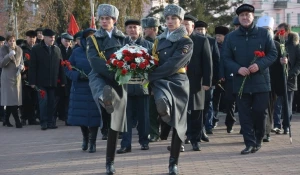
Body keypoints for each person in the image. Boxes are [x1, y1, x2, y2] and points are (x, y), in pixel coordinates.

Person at [223, 4, 277, 154]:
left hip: (261, 81)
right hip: (241, 80)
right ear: (238, 18)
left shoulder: (263, 34)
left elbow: (272, 54)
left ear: (253, 17)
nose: (245, 18)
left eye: (248, 15)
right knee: (244, 114)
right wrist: (237, 68)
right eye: (242, 16)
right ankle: (249, 143)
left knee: (260, 112)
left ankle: (258, 138)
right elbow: (226, 58)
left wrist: (259, 65)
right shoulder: (231, 37)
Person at [149, 4, 193, 174]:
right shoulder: (159, 40)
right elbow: (153, 59)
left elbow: (174, 64)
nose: (169, 21)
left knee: (179, 124)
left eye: (173, 18)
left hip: (178, 82)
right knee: (161, 101)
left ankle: (173, 163)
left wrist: (151, 76)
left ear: (180, 21)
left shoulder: (186, 40)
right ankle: (165, 114)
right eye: (167, 18)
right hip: (160, 82)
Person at [86, 4, 126, 175]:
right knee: (100, 91)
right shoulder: (93, 39)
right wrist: (114, 73)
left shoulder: (122, 38)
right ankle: (105, 99)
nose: (103, 21)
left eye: (107, 19)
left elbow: (129, 57)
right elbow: (94, 61)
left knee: (115, 124)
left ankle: (110, 162)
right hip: (100, 76)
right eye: (101, 19)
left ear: (114, 20)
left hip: (119, 79)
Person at [116, 19, 152, 154]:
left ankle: (144, 142)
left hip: (142, 86)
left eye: (135, 27)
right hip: (125, 87)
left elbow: (153, 65)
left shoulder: (148, 45)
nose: (132, 30)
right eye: (129, 27)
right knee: (126, 118)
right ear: (126, 30)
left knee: (144, 117)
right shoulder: (121, 45)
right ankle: (126, 144)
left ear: (140, 29)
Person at [65, 28, 101, 153]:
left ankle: (93, 142)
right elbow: (68, 68)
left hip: (95, 87)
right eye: (88, 37)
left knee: (94, 117)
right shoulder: (77, 52)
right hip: (80, 88)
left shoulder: (100, 51)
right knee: (82, 117)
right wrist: (77, 76)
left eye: (93, 37)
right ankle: (85, 137)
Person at [183, 14, 212, 151]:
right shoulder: (175, 40)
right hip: (179, 81)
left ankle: (195, 139)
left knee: (196, 112)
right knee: (181, 111)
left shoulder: (201, 40)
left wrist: (207, 81)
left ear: (192, 26)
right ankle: (182, 137)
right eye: (181, 24)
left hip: (196, 81)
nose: (184, 27)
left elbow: (207, 62)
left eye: (186, 24)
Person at [29, 29, 66, 130]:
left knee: (51, 103)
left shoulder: (57, 50)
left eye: (53, 37)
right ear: (44, 37)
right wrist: (32, 81)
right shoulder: (36, 49)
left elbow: (61, 66)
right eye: (50, 37)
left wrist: (63, 81)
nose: (52, 39)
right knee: (43, 102)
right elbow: (33, 66)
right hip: (41, 82)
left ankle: (51, 122)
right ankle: (44, 122)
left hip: (53, 81)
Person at [273, 23, 300, 134]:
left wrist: (291, 73)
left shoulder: (296, 44)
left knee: (287, 104)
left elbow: (299, 62)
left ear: (287, 31)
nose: (279, 34)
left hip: (290, 79)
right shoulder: (275, 43)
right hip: (277, 78)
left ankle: (286, 125)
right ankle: (277, 125)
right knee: (277, 103)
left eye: (282, 31)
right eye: (278, 31)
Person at [194, 20, 220, 136]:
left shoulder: (211, 41)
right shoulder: (191, 40)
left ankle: (208, 126)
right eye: (198, 29)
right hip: (195, 79)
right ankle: (199, 129)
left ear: (206, 30)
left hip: (209, 79)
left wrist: (215, 78)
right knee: (197, 105)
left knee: (208, 103)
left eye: (202, 29)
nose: (200, 31)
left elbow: (216, 60)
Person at [0, 34, 24, 128]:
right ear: (6, 42)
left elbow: (21, 61)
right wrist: (8, 56)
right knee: (12, 100)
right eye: (10, 41)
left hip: (17, 77)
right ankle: (17, 121)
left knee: (13, 100)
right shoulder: (3, 49)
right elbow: (1, 64)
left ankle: (6, 119)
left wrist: (22, 67)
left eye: (13, 40)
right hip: (7, 78)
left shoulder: (19, 49)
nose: (12, 42)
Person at [216, 26, 237, 133]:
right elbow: (223, 61)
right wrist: (222, 75)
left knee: (243, 103)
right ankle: (230, 123)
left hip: (241, 76)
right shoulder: (224, 45)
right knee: (230, 102)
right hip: (228, 78)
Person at [20, 30, 40, 126]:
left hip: (35, 77)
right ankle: (23, 118)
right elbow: (19, 63)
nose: (32, 39)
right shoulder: (22, 49)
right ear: (26, 38)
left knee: (34, 99)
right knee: (25, 98)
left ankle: (32, 118)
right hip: (25, 77)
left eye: (33, 37)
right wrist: (22, 72)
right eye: (30, 37)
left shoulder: (37, 48)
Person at [55, 33, 73, 125]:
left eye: (69, 41)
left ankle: (67, 118)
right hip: (60, 78)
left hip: (69, 78)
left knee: (68, 99)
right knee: (59, 99)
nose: (67, 43)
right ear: (62, 40)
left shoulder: (72, 50)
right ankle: (57, 116)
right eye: (66, 41)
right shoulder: (58, 50)